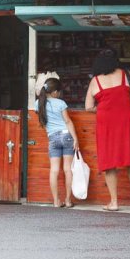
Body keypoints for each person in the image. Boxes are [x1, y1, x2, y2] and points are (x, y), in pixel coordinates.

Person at [85, 48, 130, 211]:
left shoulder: (96, 81)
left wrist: (106, 109)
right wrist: (127, 108)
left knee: (109, 161)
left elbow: (88, 106)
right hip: (126, 119)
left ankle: (114, 202)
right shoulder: (125, 74)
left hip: (106, 122)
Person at [37, 78, 80, 208]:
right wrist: (76, 138)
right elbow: (67, 121)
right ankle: (67, 200)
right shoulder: (61, 103)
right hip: (66, 135)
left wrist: (50, 133)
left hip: (53, 137)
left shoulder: (38, 103)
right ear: (55, 92)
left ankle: (56, 201)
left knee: (54, 170)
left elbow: (43, 122)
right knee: (68, 169)